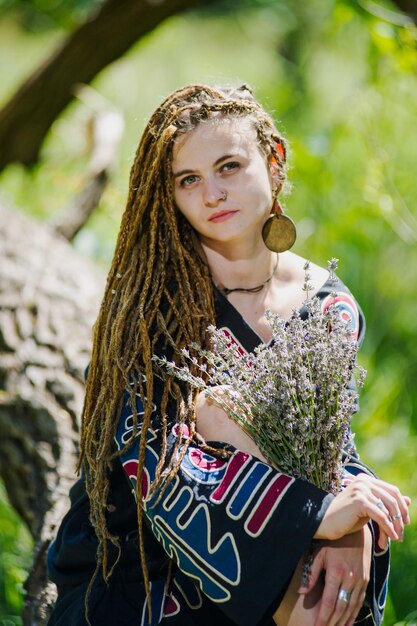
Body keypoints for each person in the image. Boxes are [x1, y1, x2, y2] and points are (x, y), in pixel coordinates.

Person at [47, 83, 410, 626]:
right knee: (218, 410)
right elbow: (162, 472)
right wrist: (316, 517)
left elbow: (325, 443)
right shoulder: (151, 311)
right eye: (188, 180)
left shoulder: (328, 303)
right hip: (142, 572)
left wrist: (353, 525)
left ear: (274, 159)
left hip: (289, 545)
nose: (213, 193)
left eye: (230, 166)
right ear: (167, 195)